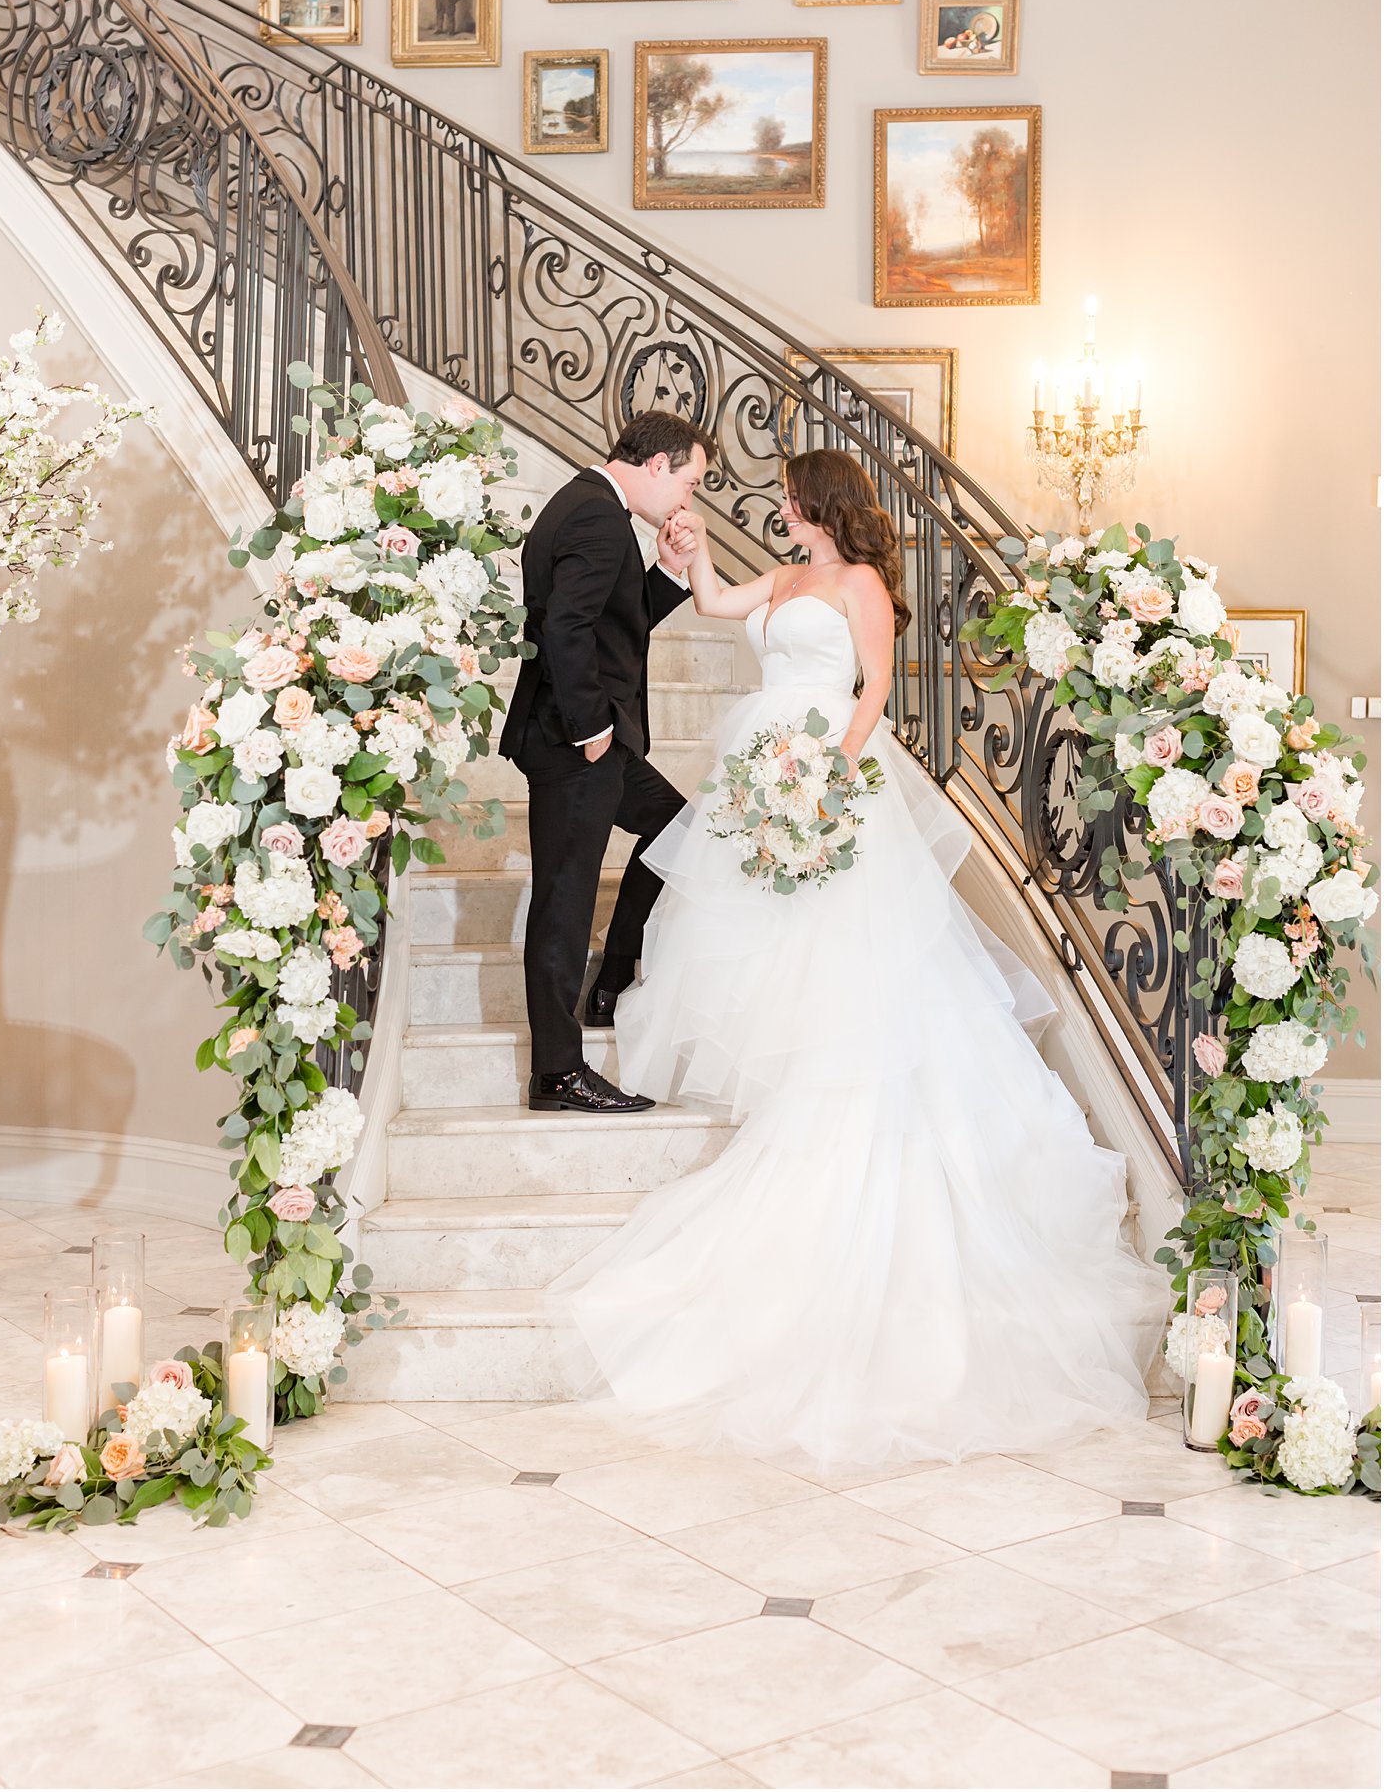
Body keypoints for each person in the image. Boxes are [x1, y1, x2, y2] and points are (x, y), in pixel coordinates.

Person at [550, 448, 1165, 1472]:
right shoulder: (785, 576)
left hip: (828, 775)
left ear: (820, 504)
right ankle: (787, 1065)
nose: (777, 509)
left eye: (789, 499)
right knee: (754, 934)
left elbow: (875, 689)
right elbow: (711, 606)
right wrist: (688, 554)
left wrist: (827, 782)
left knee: (847, 945)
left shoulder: (857, 583)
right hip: (764, 765)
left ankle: (833, 1075)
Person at [499, 413, 714, 1114]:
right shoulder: (594, 516)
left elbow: (609, 624)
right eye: (689, 481)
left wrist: (669, 572)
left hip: (592, 739)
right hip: (577, 742)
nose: (688, 500)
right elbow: (563, 628)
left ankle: (611, 978)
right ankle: (558, 1073)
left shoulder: (593, 506)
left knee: (674, 825)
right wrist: (591, 727)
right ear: (657, 464)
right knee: (564, 901)